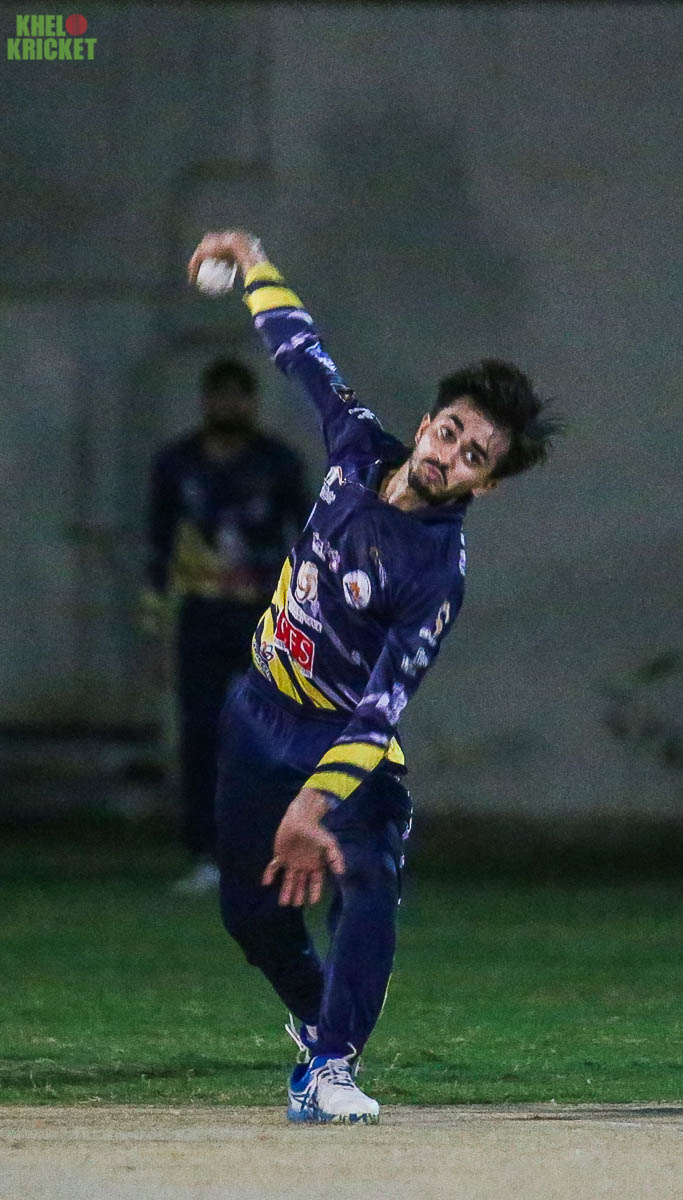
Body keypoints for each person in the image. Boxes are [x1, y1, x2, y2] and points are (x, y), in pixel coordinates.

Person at [187, 229, 560, 1121]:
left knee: (367, 879)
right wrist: (253, 261)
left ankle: (332, 1070)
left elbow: (378, 710)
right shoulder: (358, 447)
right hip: (257, 710)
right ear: (428, 421)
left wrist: (312, 805)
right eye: (450, 431)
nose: (449, 453)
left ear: (484, 484)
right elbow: (298, 349)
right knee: (249, 914)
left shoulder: (435, 573)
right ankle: (318, 1021)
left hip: (344, 741)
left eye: (474, 456)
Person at [141, 357, 311, 894]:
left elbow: (308, 543)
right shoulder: (178, 465)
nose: (229, 406)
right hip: (201, 616)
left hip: (263, 617)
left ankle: (272, 849)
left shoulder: (278, 463)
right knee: (200, 734)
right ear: (205, 401)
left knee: (268, 735)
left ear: (252, 402)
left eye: (239, 396)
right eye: (220, 395)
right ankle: (207, 854)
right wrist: (156, 631)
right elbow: (157, 550)